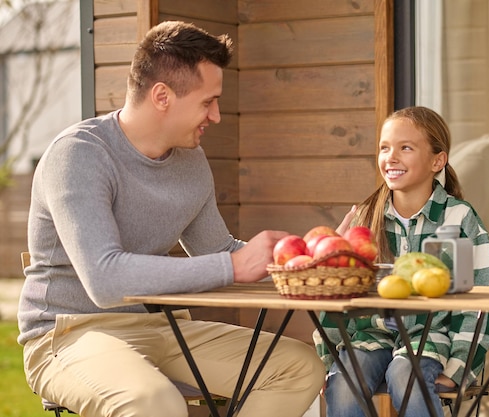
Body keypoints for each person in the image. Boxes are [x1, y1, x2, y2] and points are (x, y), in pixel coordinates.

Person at [16, 21, 325, 417]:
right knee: (155, 404)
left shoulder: (190, 161)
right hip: (68, 335)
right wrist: (232, 266)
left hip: (161, 329)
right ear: (162, 96)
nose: (215, 116)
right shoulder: (79, 156)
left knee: (299, 367)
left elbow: (218, 250)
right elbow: (105, 280)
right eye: (207, 102)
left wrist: (309, 263)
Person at [315, 106, 489, 417]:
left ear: (437, 161)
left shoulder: (459, 219)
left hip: (430, 340)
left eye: (406, 148)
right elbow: (337, 293)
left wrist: (457, 370)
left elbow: (478, 305)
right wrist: (331, 360)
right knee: (344, 384)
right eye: (385, 148)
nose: (391, 157)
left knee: (406, 376)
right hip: (369, 336)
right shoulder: (365, 218)